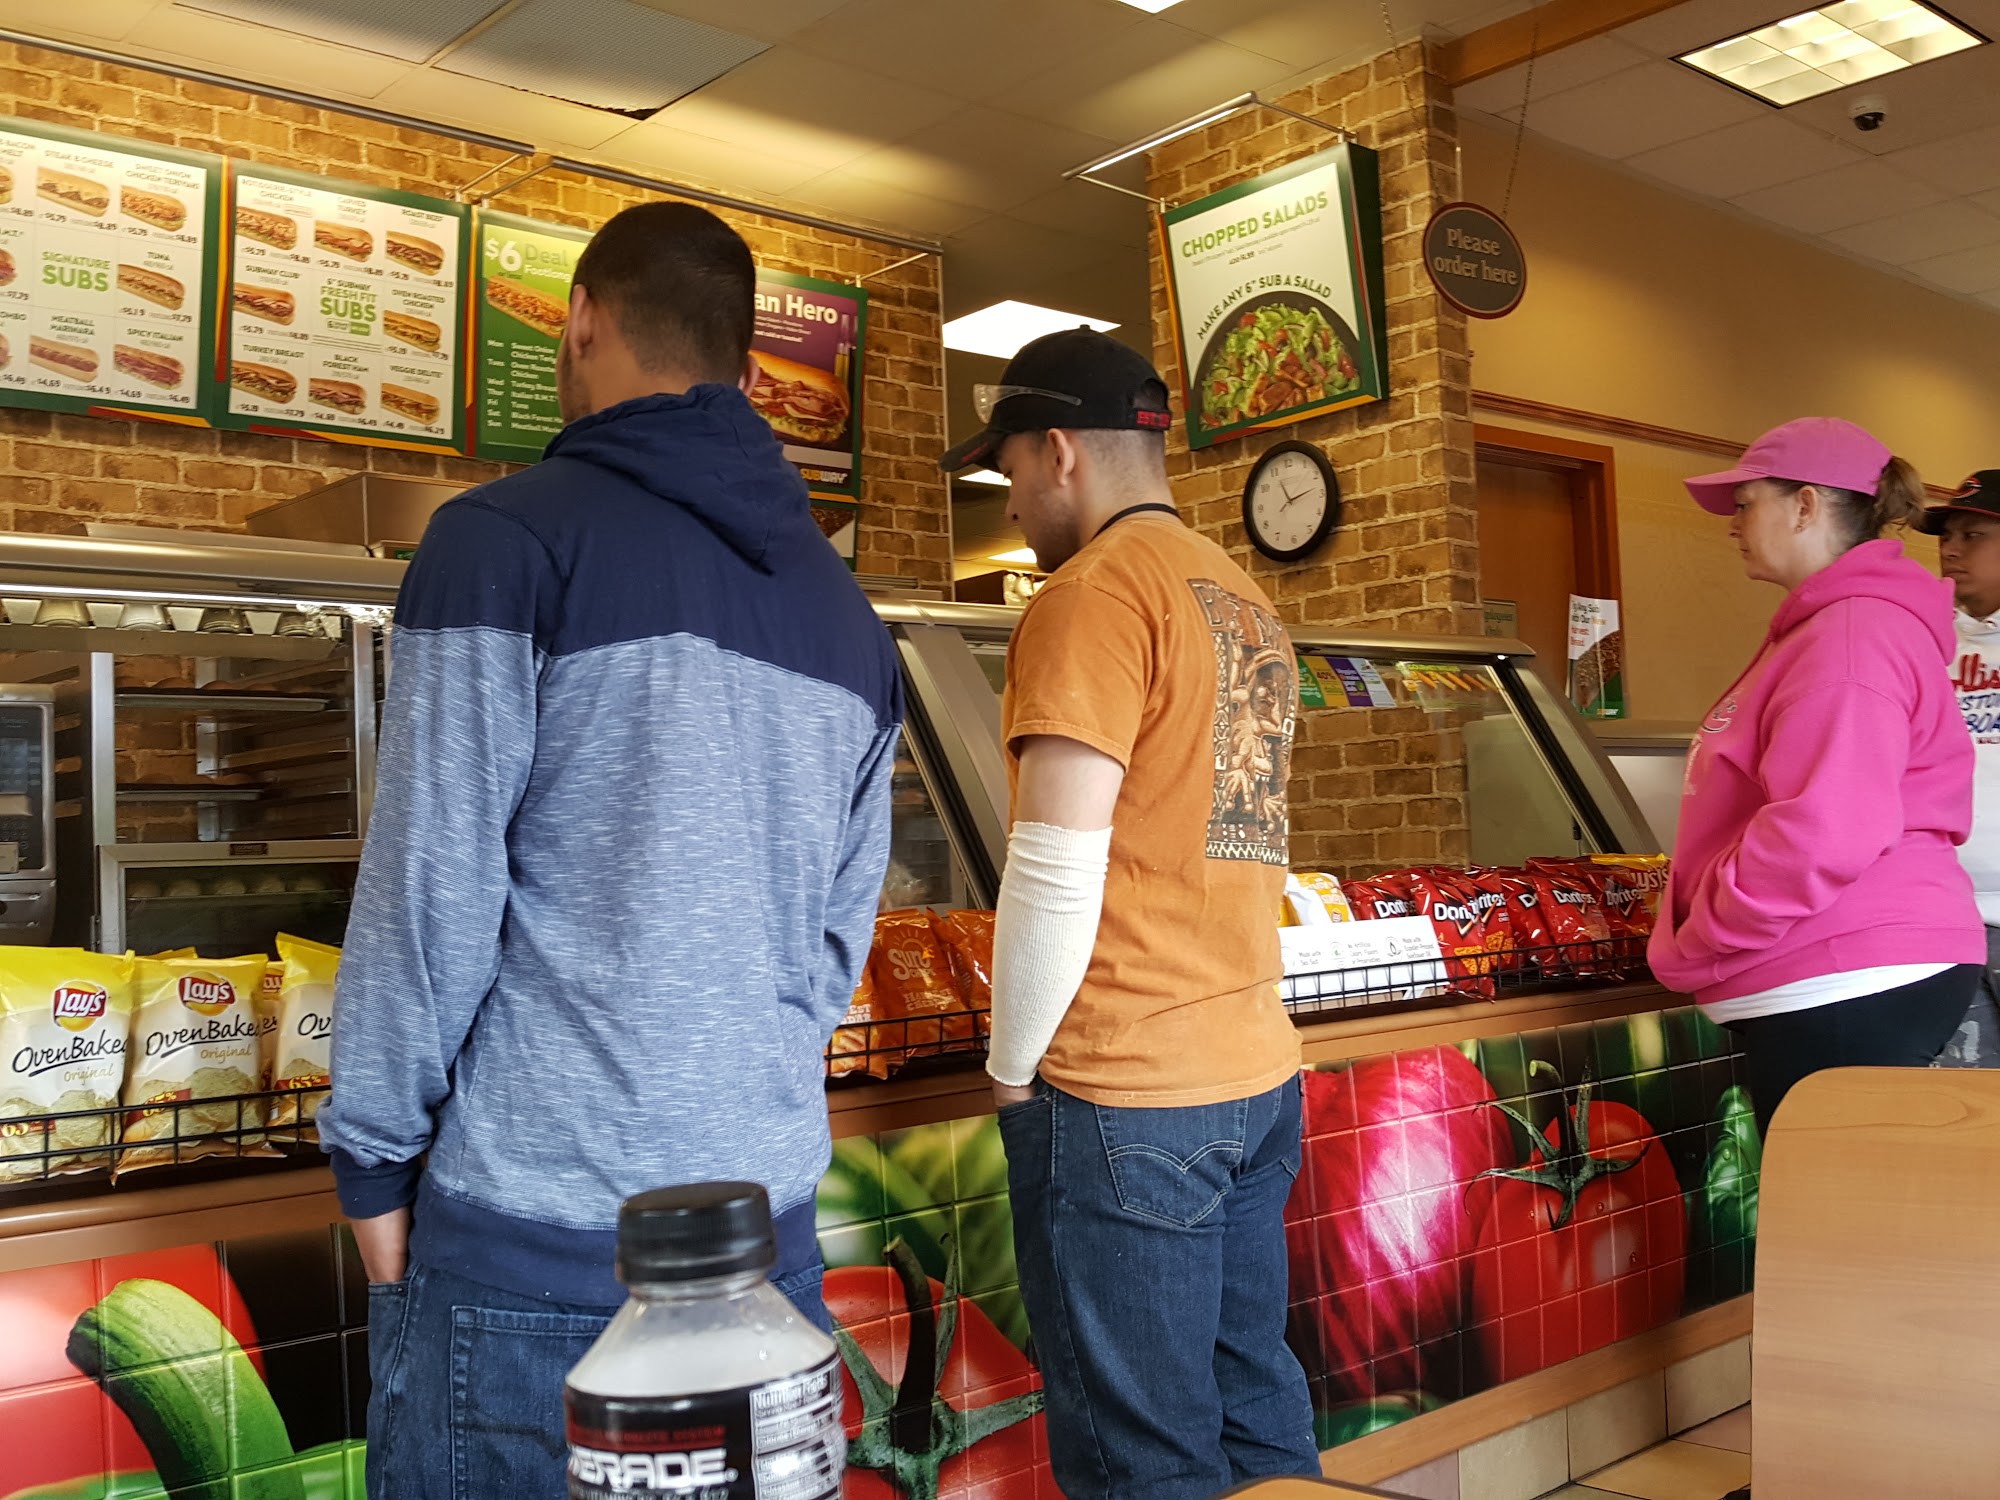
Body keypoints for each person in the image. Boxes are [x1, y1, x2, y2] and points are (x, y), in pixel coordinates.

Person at [318, 201, 902, 1499]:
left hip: (533, 1261)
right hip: (768, 1257)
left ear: (581, 319)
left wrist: (373, 1166)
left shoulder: (501, 543)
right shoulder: (851, 621)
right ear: (746, 360)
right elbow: (832, 952)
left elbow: (429, 901)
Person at [938, 328, 1320, 1500]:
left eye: (1009, 468)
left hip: (1129, 1093)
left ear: (1058, 450)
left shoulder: (1090, 595)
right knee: (1255, 1410)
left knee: (1140, 1459)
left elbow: (1055, 868)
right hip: (1254, 1071)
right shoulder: (1239, 597)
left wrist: (1011, 1071)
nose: (1011, 500)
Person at [1649, 417, 1985, 1135]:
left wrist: (1706, 928)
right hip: (1841, 970)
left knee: (1838, 1207)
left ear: (1805, 505)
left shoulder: (1852, 635)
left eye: (1746, 504)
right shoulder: (1834, 626)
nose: (1732, 524)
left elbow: (1825, 830)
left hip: (1846, 971)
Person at [1917, 471, 2000, 1067]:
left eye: (1973, 535)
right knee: (1965, 1104)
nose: (1951, 549)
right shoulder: (1919, 636)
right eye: (1947, 535)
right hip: (1942, 918)